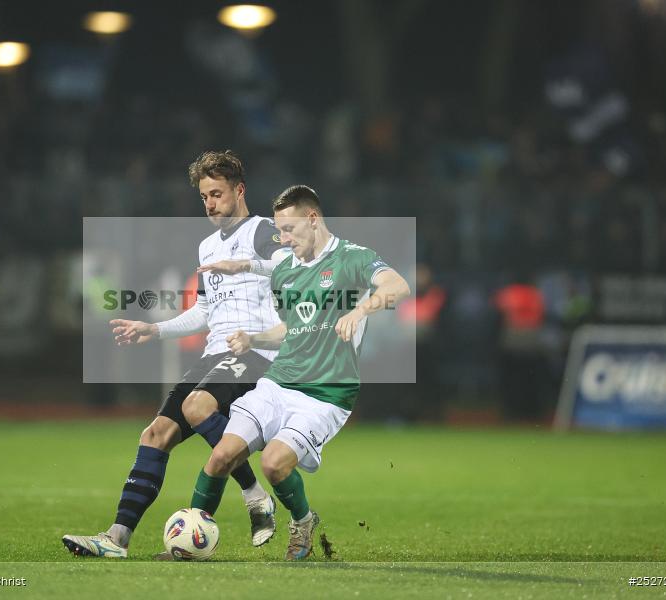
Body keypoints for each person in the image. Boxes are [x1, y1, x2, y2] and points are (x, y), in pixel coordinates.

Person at [63, 150, 292, 558]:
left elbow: (294, 269)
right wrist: (156, 329)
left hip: (255, 350)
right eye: (204, 196)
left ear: (239, 190)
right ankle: (116, 539)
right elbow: (205, 311)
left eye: (217, 193)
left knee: (197, 405)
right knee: (156, 434)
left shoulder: (262, 231)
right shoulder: (206, 247)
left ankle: (255, 494)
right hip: (215, 355)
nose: (210, 203)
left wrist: (245, 266)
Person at [186, 184, 410, 560]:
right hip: (279, 382)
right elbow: (291, 328)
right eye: (279, 231)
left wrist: (359, 311)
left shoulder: (351, 258)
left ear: (312, 219)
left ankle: (303, 520)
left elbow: (397, 285)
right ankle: (189, 538)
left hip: (325, 394)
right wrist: (254, 338)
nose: (283, 239)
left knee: (274, 464)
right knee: (222, 455)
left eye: (289, 230)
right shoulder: (286, 271)